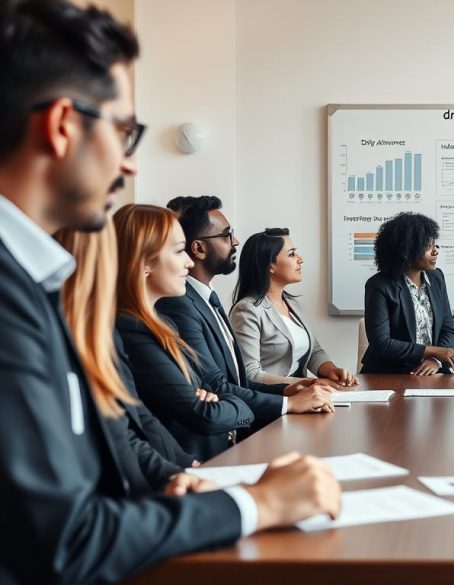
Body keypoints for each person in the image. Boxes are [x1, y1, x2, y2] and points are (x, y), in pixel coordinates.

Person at [0, 3, 338, 582]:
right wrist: (258, 505)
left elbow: (112, 443)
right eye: (125, 132)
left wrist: (164, 480)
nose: (130, 162)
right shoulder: (14, 296)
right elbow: (64, 543)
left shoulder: (38, 282)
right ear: (61, 126)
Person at [114, 204, 336, 460]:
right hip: (210, 451)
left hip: (218, 442)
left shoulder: (174, 317)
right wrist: (280, 402)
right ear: (144, 264)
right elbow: (205, 404)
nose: (187, 260)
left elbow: (215, 389)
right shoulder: (154, 320)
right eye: (178, 251)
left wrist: (286, 392)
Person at [157, 195, 342, 397]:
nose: (235, 242)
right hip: (259, 407)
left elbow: (236, 380)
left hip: (277, 398)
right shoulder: (195, 306)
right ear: (199, 248)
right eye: (226, 235)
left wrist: (325, 373)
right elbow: (229, 383)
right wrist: (296, 394)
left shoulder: (210, 299)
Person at [56, 224, 198, 470]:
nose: (189, 262)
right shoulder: (127, 326)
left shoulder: (104, 327)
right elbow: (194, 409)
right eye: (178, 251)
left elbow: (130, 415)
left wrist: (179, 470)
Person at [230, 228, 357, 385]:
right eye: (291, 254)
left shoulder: (292, 305)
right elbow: (250, 374)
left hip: (304, 395)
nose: (300, 259)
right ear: (270, 265)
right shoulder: (247, 310)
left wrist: (331, 370)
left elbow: (314, 351)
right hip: (274, 400)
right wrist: (307, 384)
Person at [361, 212, 454, 375]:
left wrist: (434, 360)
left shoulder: (436, 278)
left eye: (435, 245)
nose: (435, 252)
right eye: (428, 247)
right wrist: (434, 352)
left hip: (432, 371)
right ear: (405, 251)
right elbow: (381, 344)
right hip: (389, 373)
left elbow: (447, 329)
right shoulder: (379, 285)